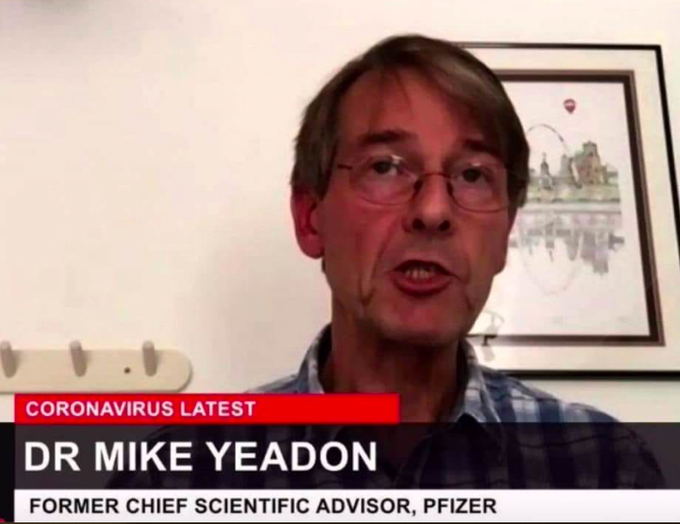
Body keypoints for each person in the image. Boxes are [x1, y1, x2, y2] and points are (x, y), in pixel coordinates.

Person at [248, 34, 664, 488]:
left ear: (505, 234)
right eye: (385, 167)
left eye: (472, 175)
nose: (433, 211)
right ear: (310, 218)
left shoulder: (604, 466)